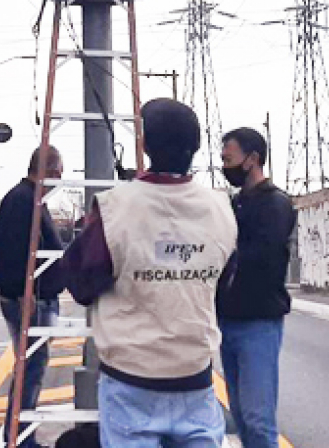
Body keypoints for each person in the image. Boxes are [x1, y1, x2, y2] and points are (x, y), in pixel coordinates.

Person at [64, 99, 237, 448]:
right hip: (196, 378)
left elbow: (81, 284)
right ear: (197, 147)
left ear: (145, 145)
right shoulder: (223, 207)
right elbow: (224, 282)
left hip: (130, 383)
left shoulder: (115, 206)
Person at [216, 128, 297, 448]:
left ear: (253, 159)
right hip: (229, 321)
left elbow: (264, 260)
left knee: (258, 421)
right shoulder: (234, 203)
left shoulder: (275, 204)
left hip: (258, 323)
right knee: (240, 415)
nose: (225, 166)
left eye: (229, 159)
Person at [0, 146, 66, 448]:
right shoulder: (24, 201)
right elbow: (12, 253)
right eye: (58, 173)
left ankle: (21, 436)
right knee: (30, 369)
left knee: (30, 368)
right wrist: (23, 294)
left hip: (34, 297)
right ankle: (21, 439)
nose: (60, 179)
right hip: (30, 300)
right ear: (47, 170)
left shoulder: (29, 199)